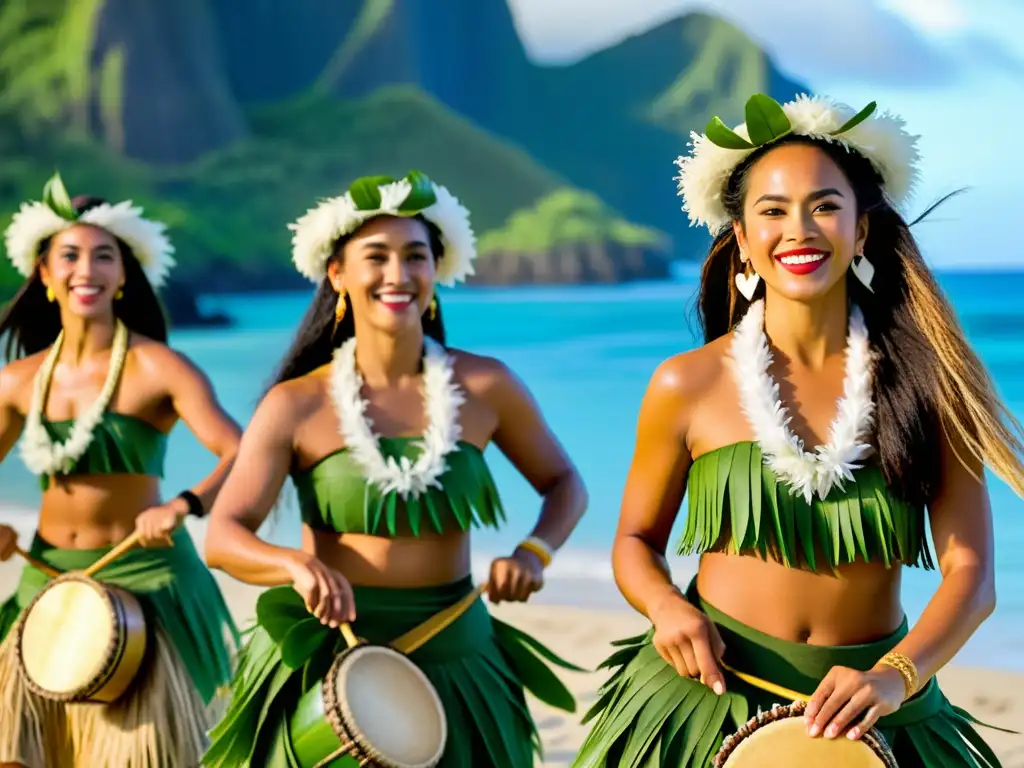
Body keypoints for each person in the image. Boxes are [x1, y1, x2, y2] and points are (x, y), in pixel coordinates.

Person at [571, 94, 1023, 767]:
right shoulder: (685, 385)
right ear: (743, 240)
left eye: (825, 206)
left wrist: (895, 676)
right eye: (773, 211)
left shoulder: (931, 388)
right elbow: (636, 541)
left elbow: (972, 574)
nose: (800, 229)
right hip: (705, 704)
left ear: (861, 231)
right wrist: (666, 608)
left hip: (878, 710)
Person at [200, 170, 589, 767]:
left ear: (436, 271)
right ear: (338, 274)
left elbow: (564, 484)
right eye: (375, 257)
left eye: (415, 256)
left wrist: (534, 551)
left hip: (456, 648)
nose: (397, 275)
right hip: (333, 655)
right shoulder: (296, 403)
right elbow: (224, 536)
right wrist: (293, 564)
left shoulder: (486, 386)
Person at [0, 173, 242, 768]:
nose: (88, 268)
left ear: (125, 275)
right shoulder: (19, 381)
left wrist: (183, 505)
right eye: (71, 255)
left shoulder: (159, 368)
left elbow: (241, 453)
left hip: (148, 579)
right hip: (49, 581)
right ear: (46, 276)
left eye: (104, 255)